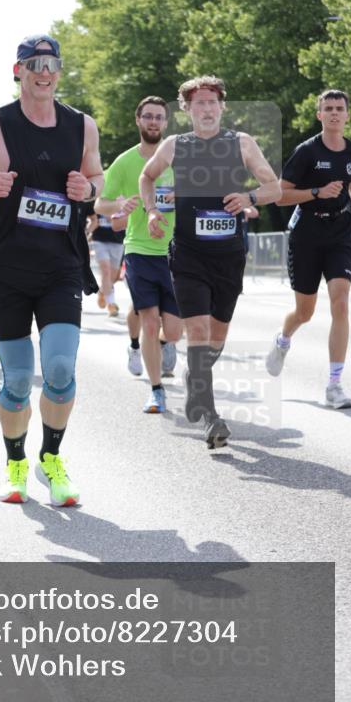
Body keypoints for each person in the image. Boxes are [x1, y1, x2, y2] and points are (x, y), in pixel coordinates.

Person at [0, 33, 103, 506]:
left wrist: (89, 190)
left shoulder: (83, 126)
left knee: (60, 368)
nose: (44, 71)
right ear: (17, 71)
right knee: (17, 380)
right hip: (8, 269)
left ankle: (51, 459)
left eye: (51, 63)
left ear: (59, 72)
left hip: (61, 264)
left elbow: (96, 178)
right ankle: (15, 462)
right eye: (34, 63)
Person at [140, 76, 281, 448]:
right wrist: (153, 211)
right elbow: (147, 176)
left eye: (212, 102)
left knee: (217, 337)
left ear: (222, 107)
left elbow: (275, 187)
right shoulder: (174, 145)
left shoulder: (241, 143)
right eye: (198, 103)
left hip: (229, 256)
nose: (206, 109)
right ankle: (211, 417)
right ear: (187, 110)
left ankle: (194, 381)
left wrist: (249, 196)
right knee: (198, 333)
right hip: (188, 254)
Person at [266, 89, 351, 408]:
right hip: (306, 234)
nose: (334, 113)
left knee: (341, 303)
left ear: (347, 114)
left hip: (340, 234)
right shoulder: (306, 152)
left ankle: (334, 385)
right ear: (319, 114)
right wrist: (317, 191)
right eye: (328, 108)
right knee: (305, 311)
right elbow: (280, 195)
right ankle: (283, 339)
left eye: (339, 108)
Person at [95, 96, 182, 413]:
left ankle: (161, 344)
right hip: (139, 248)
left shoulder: (179, 158)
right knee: (148, 320)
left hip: (177, 250)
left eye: (159, 117)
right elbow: (99, 205)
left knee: (172, 330)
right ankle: (156, 390)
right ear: (138, 120)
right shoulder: (125, 162)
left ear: (166, 122)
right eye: (148, 116)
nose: (154, 122)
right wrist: (119, 205)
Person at [87, 212, 125, 316]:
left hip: (118, 241)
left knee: (114, 277)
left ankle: (102, 291)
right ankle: (111, 304)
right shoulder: (101, 196)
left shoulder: (124, 197)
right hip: (99, 239)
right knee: (105, 271)